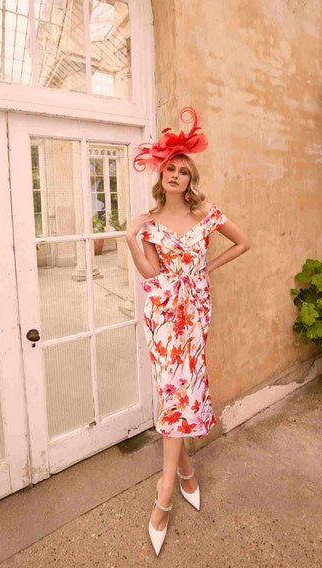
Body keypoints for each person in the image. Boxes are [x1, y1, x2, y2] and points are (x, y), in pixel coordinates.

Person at [126, 107, 251, 556]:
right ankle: (177, 479)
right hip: (162, 312)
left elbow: (243, 242)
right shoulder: (151, 223)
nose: (176, 174)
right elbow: (150, 275)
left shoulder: (207, 213)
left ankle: (172, 484)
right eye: (170, 168)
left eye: (184, 169)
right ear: (161, 176)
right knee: (174, 390)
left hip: (195, 310)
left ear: (190, 178)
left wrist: (205, 268)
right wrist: (131, 239)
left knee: (184, 389)